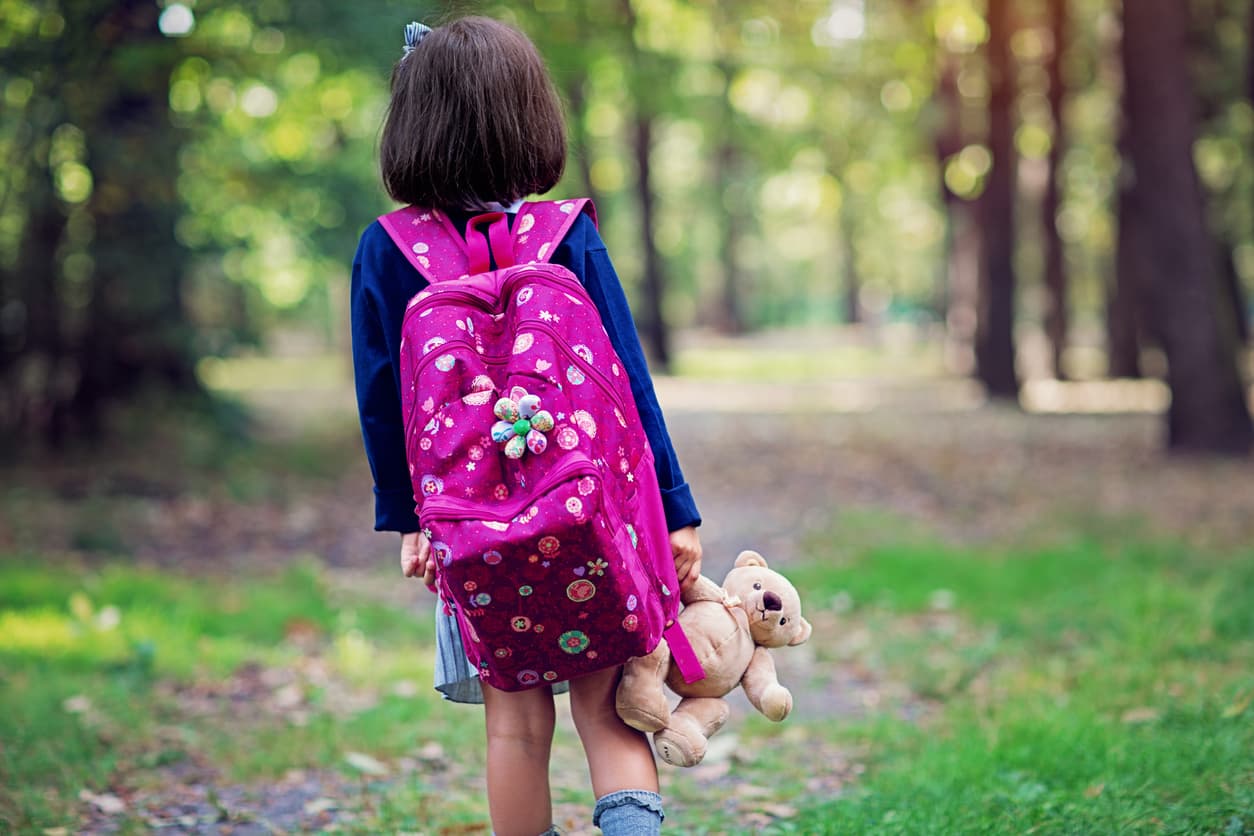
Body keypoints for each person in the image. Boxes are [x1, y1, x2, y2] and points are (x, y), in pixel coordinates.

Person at [350, 16, 703, 836]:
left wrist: (408, 522)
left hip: (472, 527)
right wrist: (676, 507)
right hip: (590, 514)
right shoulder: (567, 233)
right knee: (608, 713)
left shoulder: (385, 251)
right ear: (530, 118)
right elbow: (629, 379)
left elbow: (380, 399)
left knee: (513, 726)